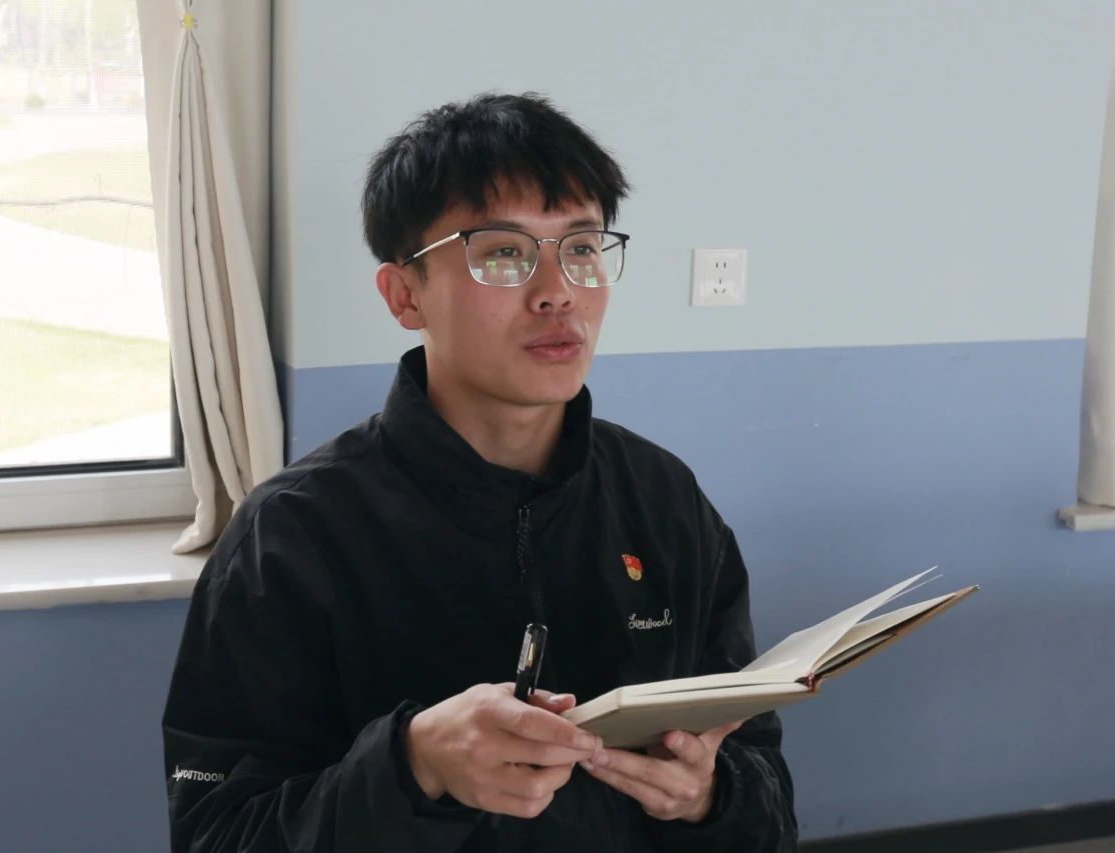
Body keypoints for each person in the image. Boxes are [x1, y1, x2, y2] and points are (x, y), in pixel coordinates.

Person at [162, 92, 798, 852]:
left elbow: (764, 787)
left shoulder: (663, 500)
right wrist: (412, 767)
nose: (558, 290)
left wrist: (711, 798)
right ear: (405, 295)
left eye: (582, 247)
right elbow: (217, 834)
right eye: (503, 253)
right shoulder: (291, 535)